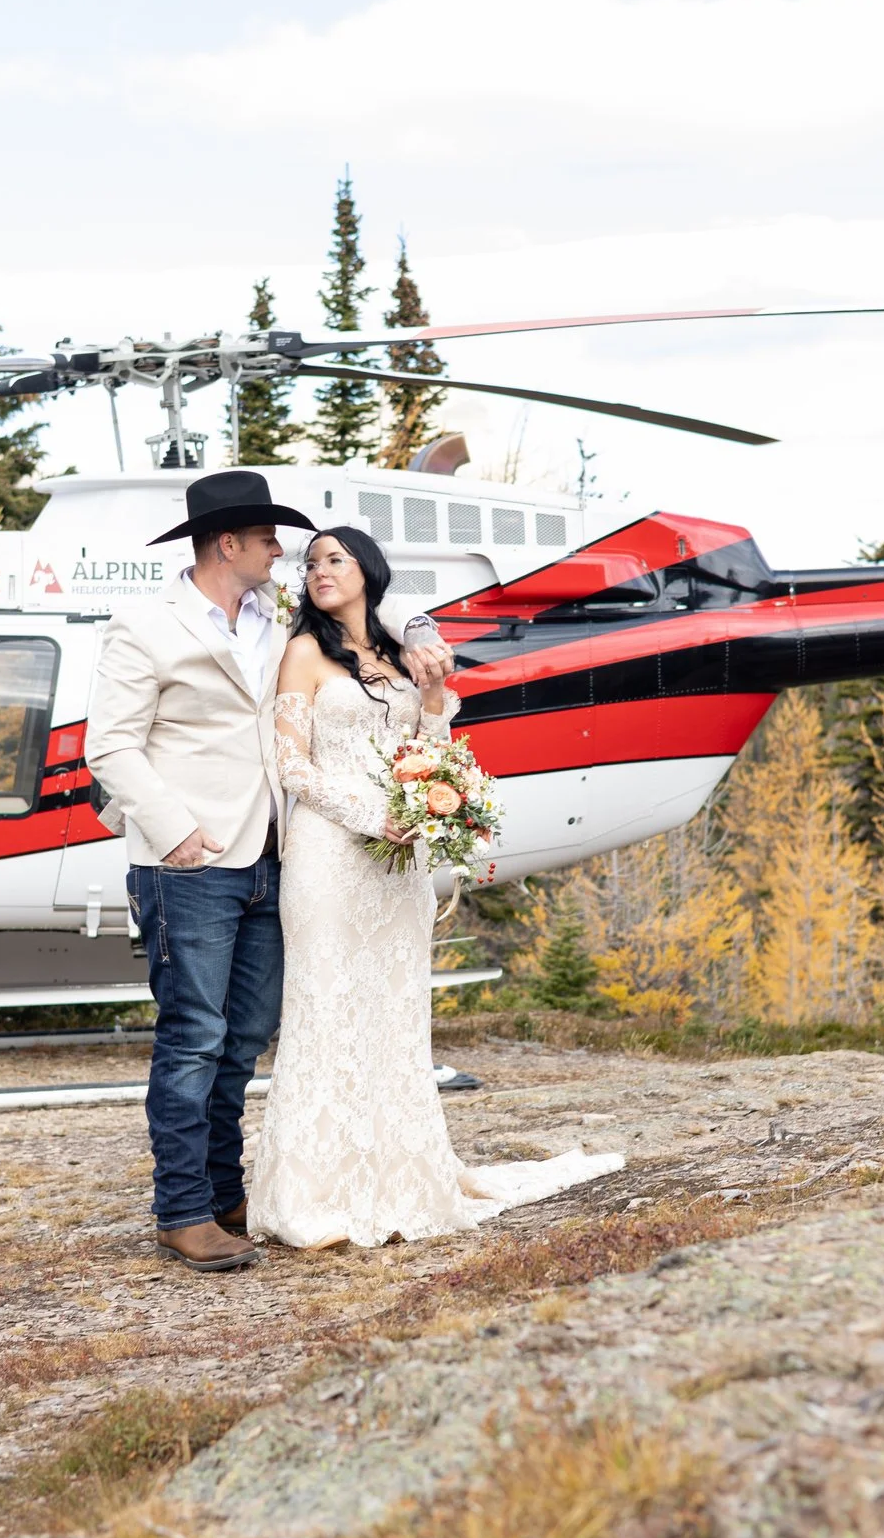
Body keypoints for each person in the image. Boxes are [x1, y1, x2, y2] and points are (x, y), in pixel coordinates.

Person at [249, 526, 624, 1249]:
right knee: (325, 1010)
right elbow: (291, 765)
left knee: (394, 1015)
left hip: (398, 866)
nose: (319, 570)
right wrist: (370, 814)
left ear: (368, 571)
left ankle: (397, 1177)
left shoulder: (397, 654)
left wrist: (434, 702)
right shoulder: (302, 652)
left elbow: (431, 749)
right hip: (330, 854)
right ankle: (315, 1192)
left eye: (335, 559)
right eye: (311, 562)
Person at [85, 469, 317, 1272]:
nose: (278, 551)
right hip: (186, 863)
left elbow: (370, 615)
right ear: (229, 543)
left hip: (268, 856)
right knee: (193, 1038)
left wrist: (422, 626)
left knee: (245, 1036)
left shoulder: (276, 620)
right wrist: (174, 829)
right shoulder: (144, 624)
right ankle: (181, 1208)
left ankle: (226, 1192)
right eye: (266, 539)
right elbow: (109, 744)